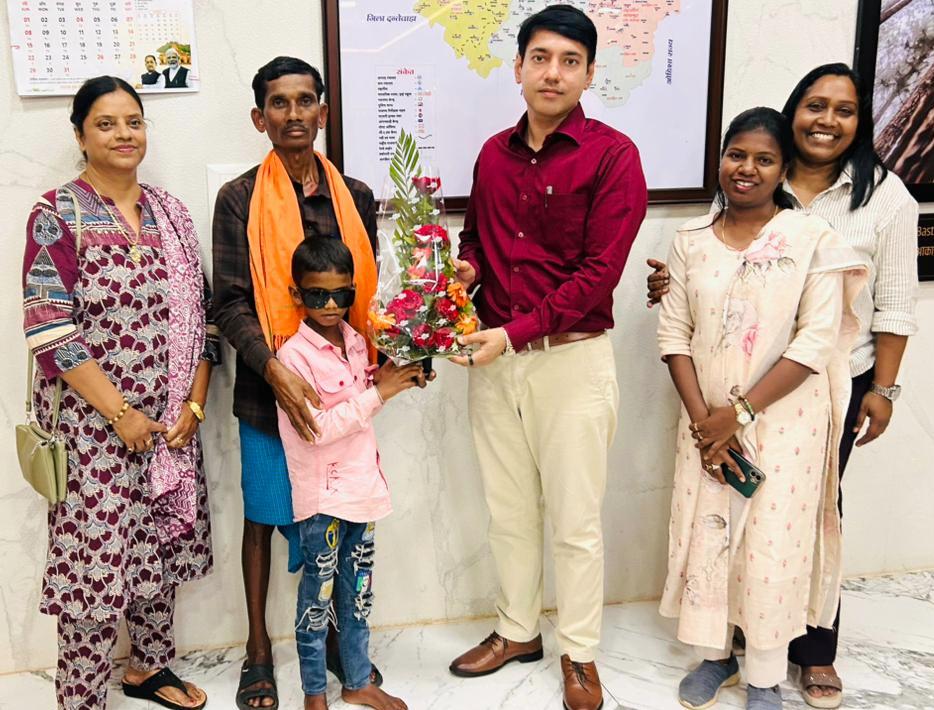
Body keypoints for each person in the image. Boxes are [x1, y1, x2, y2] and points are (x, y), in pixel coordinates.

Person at [646, 63, 919, 708]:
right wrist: (707, 418)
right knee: (713, 526)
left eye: (844, 110)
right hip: (709, 411)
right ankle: (719, 651)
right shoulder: (709, 225)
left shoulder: (866, 208)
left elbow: (868, 316)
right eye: (815, 106)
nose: (827, 120)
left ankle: (789, 662)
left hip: (805, 403)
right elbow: (690, 312)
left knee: (787, 530)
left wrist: (883, 390)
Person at [447, 6, 647, 710]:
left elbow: (599, 274)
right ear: (518, 68)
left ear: (589, 74)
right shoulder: (493, 154)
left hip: (570, 361)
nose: (552, 73)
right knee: (507, 510)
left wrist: (515, 332)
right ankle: (517, 630)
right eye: (540, 58)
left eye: (569, 61)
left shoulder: (614, 156)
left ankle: (580, 654)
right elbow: (475, 239)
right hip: (493, 359)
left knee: (575, 521)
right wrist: (465, 273)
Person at [22, 76, 218, 709]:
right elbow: (49, 330)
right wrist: (121, 413)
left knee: (160, 545)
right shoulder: (57, 214)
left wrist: (193, 405)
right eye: (106, 123)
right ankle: (81, 697)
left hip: (170, 422)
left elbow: (205, 321)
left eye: (133, 121)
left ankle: (149, 669)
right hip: (93, 430)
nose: (124, 134)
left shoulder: (171, 213)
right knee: (95, 564)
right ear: (80, 135)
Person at [212, 56, 382, 709]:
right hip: (266, 392)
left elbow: (367, 296)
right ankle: (258, 650)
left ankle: (339, 643)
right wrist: (276, 369)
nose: (293, 114)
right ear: (260, 118)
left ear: (323, 112)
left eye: (304, 101)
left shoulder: (355, 197)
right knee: (263, 516)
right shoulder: (239, 198)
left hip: (341, 398)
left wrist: (401, 356)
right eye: (278, 104)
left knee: (342, 519)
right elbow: (230, 302)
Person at [278, 238, 421, 710]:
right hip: (323, 499)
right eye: (317, 294)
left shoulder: (358, 342)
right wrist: (382, 394)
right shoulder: (293, 358)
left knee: (357, 595)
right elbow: (316, 430)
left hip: (364, 490)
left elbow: (362, 398)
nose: (330, 304)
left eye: (341, 294)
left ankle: (357, 680)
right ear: (297, 294)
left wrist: (402, 375)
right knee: (316, 601)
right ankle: (313, 693)